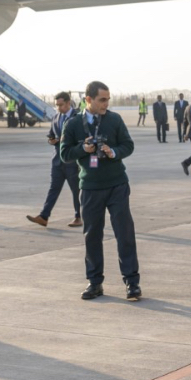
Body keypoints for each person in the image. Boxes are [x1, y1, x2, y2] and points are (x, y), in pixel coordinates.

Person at [59, 81, 139, 301]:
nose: (106, 103)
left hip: (117, 185)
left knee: (125, 234)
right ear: (88, 100)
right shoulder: (74, 124)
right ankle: (95, 283)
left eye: (108, 99)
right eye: (102, 100)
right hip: (91, 187)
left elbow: (128, 145)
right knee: (92, 236)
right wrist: (83, 149)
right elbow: (64, 154)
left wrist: (113, 152)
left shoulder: (114, 120)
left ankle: (132, 282)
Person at [27, 92, 82, 229]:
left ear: (69, 103)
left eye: (61, 105)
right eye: (57, 105)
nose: (58, 108)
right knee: (54, 189)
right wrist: (51, 140)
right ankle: (44, 216)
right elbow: (52, 134)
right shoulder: (56, 117)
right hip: (57, 160)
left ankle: (78, 216)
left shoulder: (79, 117)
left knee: (76, 191)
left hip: (72, 161)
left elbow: (81, 138)